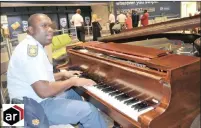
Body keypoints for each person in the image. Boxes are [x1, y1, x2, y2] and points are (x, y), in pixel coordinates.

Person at [7, 13, 107, 128]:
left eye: (51, 26)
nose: (50, 30)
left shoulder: (31, 45)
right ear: (31, 29)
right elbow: (44, 91)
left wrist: (63, 74)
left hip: (28, 101)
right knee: (90, 111)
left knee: (72, 94)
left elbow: (38, 79)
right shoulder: (31, 52)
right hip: (30, 109)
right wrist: (73, 81)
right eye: (44, 26)